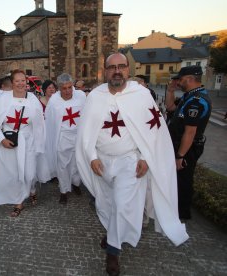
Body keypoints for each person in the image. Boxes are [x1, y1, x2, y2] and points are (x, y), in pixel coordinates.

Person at [76, 53, 189, 275]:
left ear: (128, 69)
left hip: (130, 160)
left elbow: (154, 130)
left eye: (121, 66)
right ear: (105, 70)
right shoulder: (95, 96)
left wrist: (147, 157)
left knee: (121, 203)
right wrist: (91, 156)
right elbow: (85, 132)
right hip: (102, 161)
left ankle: (113, 251)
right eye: (112, 67)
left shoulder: (141, 95)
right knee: (107, 202)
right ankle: (113, 233)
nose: (117, 71)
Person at [0, 69, 45, 217]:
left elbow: (39, 123)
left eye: (23, 80)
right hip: (10, 142)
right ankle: (19, 202)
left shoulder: (33, 99)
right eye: (17, 81)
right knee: (14, 174)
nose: (21, 83)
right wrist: (1, 140)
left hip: (28, 142)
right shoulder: (3, 100)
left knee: (29, 173)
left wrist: (39, 142)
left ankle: (32, 189)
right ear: (12, 83)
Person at [165, 65, 212, 220]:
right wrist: (170, 91)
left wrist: (180, 156)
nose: (178, 82)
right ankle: (175, 209)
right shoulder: (189, 96)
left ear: (190, 79)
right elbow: (170, 107)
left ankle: (181, 214)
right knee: (177, 179)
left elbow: (190, 131)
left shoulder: (197, 101)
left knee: (183, 180)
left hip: (187, 148)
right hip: (179, 145)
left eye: (181, 79)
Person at [45, 73, 86, 204]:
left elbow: (87, 114)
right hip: (62, 137)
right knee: (62, 165)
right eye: (64, 88)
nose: (68, 91)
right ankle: (63, 190)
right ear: (59, 88)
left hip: (78, 136)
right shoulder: (54, 102)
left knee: (77, 162)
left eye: (70, 87)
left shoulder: (81, 96)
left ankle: (75, 183)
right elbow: (50, 123)